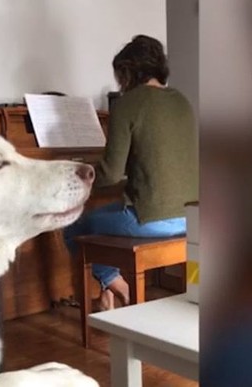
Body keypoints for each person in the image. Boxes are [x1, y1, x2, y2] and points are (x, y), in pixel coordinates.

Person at [64, 35, 197, 310]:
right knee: (105, 220)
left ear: (129, 71)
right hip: (192, 218)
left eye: (120, 77)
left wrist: (78, 173)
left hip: (152, 220)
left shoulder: (127, 104)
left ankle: (114, 283)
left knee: (74, 224)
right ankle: (107, 290)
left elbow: (111, 174)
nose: (120, 85)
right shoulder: (182, 102)